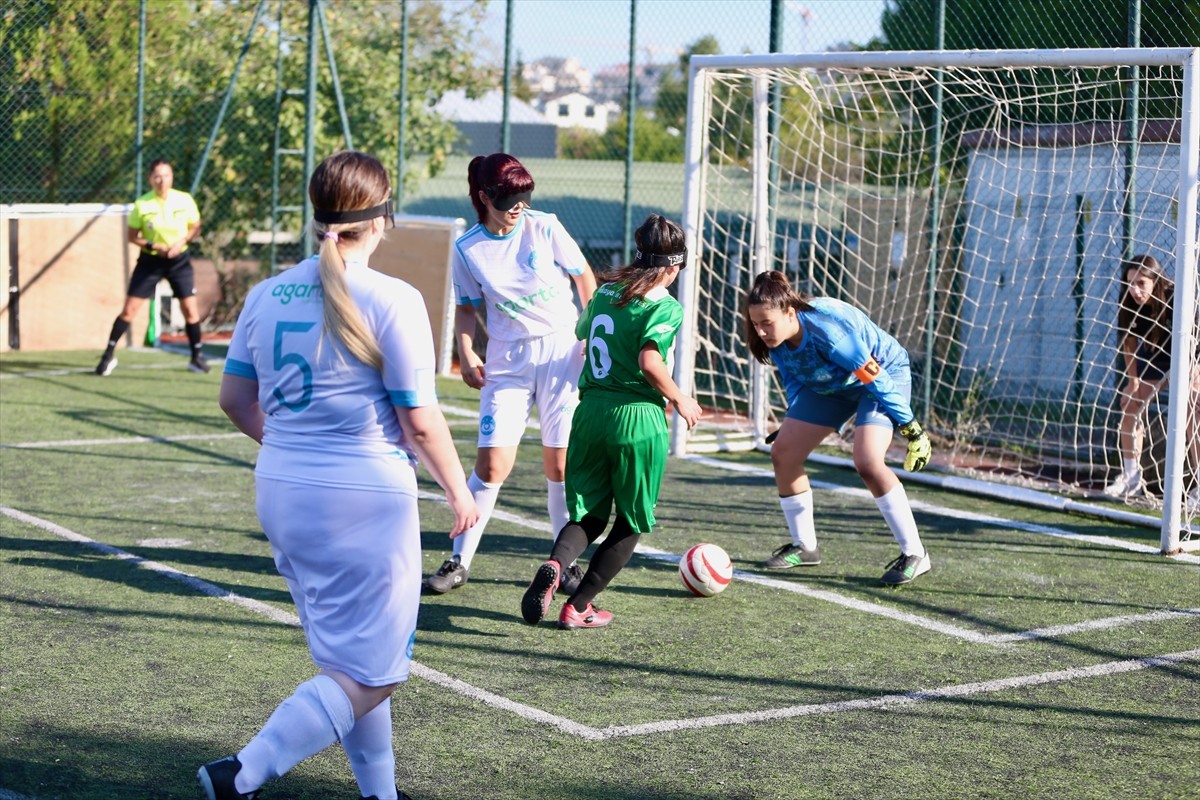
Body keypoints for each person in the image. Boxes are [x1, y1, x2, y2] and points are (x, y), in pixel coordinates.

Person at [199, 151, 478, 800]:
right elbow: (418, 417)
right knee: (375, 673)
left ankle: (379, 795)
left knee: (347, 664)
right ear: (382, 220)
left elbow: (233, 402)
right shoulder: (394, 298)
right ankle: (243, 772)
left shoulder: (267, 294)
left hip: (282, 492)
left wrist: (296, 449)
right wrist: (459, 491)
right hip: (364, 501)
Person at [422, 152, 597, 596]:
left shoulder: (546, 226)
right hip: (508, 361)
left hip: (562, 352)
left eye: (525, 196)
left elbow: (585, 280)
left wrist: (589, 332)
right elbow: (466, 309)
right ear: (485, 197)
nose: (519, 206)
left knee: (559, 466)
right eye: (509, 199)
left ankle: (566, 565)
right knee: (492, 464)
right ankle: (459, 560)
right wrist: (465, 350)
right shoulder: (468, 249)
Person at [520, 214, 702, 629]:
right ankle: (579, 606)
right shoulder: (665, 306)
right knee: (632, 522)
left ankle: (556, 563)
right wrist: (680, 397)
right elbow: (649, 361)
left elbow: (584, 334)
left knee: (588, 515)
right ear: (673, 267)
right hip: (636, 417)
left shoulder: (605, 294)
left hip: (589, 414)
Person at [744, 270, 933, 586]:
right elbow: (796, 377)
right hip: (834, 386)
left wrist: (911, 428)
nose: (761, 331)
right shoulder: (773, 337)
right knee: (784, 452)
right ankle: (805, 547)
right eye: (756, 324)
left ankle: (915, 553)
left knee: (868, 461)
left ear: (791, 312)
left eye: (767, 323)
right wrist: (795, 417)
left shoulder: (828, 330)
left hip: (882, 376)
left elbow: (875, 378)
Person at [95, 159, 208, 375]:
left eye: (165, 175)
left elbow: (195, 227)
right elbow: (132, 236)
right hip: (150, 262)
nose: (161, 180)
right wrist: (154, 245)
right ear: (150, 179)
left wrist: (180, 244)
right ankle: (107, 356)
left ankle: (196, 357)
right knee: (129, 310)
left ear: (172, 177)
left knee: (190, 310)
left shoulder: (184, 200)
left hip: (179, 261)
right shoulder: (142, 204)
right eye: (157, 176)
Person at [1103, 254, 1200, 501]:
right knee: (1130, 406)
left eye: (1141, 283)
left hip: (1192, 356)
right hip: (1157, 357)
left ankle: (1199, 486)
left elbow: (1195, 343)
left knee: (1192, 408)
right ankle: (1131, 479)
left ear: (1155, 281)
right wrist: (1133, 382)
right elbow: (1128, 342)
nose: (1134, 290)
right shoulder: (1129, 301)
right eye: (1130, 283)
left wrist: (1191, 375)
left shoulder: (1179, 299)